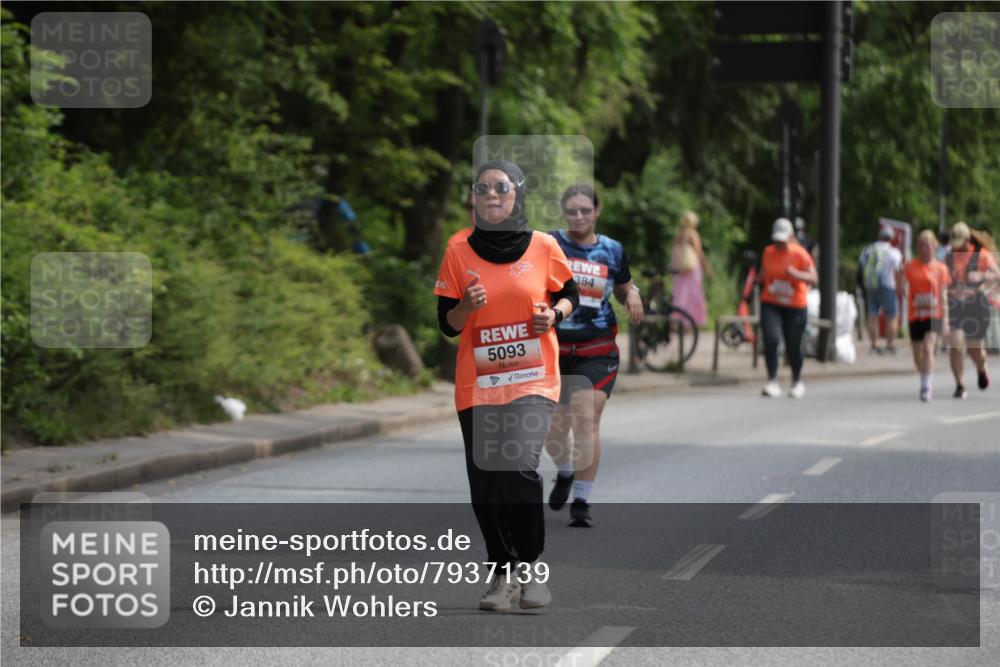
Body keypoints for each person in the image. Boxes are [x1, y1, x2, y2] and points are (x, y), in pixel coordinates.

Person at [435, 160, 579, 612]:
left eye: (500, 186)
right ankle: (501, 572)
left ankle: (532, 569)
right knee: (486, 482)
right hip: (477, 384)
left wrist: (554, 316)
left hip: (533, 378)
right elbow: (447, 325)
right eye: (481, 188)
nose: (491, 194)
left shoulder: (544, 245)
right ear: (474, 198)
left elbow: (569, 293)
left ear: (516, 193)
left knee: (517, 465)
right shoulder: (458, 250)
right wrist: (465, 305)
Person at [543, 184, 643, 528]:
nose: (579, 217)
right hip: (553, 348)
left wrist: (632, 294)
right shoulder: (548, 244)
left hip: (596, 348)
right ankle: (566, 471)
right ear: (563, 212)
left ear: (597, 211)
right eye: (572, 211)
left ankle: (582, 499)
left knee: (586, 420)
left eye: (586, 210)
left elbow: (623, 283)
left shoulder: (612, 250)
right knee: (553, 431)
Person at [758, 217, 818, 399]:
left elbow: (813, 278)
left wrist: (795, 274)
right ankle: (772, 380)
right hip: (771, 302)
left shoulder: (800, 254)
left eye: (783, 241)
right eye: (777, 241)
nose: (779, 244)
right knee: (772, 339)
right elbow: (763, 273)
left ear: (790, 237)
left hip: (795, 305)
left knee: (794, 344)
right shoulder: (768, 252)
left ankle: (797, 381)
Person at [945, 222, 999, 398]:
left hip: (976, 305)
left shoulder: (981, 255)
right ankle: (959, 385)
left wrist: (982, 275)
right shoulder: (948, 256)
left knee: (975, 350)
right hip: (956, 305)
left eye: (959, 243)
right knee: (956, 345)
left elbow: (996, 274)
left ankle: (981, 369)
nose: (956, 247)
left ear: (967, 240)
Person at [902, 230, 951, 401]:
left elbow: (944, 295)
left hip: (934, 313)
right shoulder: (910, 266)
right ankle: (924, 375)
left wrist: (945, 320)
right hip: (915, 314)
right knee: (917, 354)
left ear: (934, 247)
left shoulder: (941, 268)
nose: (924, 249)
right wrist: (898, 281)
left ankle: (926, 386)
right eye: (921, 246)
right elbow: (901, 290)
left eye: (928, 245)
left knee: (928, 346)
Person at [858, 225, 904, 354]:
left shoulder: (868, 249)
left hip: (870, 286)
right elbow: (898, 270)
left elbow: (861, 265)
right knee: (891, 316)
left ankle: (874, 345)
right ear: (891, 238)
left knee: (872, 315)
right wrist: (900, 287)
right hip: (887, 286)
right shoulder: (892, 251)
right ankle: (890, 345)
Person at [670, 211, 713, 327]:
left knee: (680, 294)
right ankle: (689, 324)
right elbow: (699, 253)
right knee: (693, 295)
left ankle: (677, 321)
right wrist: (707, 267)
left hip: (679, 269)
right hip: (692, 269)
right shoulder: (693, 235)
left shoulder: (678, 235)